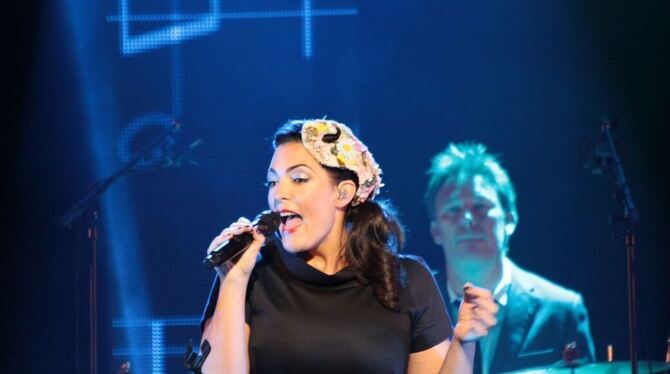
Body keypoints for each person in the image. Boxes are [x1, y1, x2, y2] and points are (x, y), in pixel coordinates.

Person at [200, 119, 498, 373]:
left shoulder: (405, 279)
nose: (279, 195)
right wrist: (233, 282)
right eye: (272, 182)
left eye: (299, 179)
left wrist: (464, 342)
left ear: (343, 193)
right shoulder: (250, 274)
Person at [424, 142, 596, 373]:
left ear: (510, 219)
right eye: (453, 209)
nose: (467, 219)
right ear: (435, 231)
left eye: (480, 206)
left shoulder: (562, 310)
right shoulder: (413, 304)